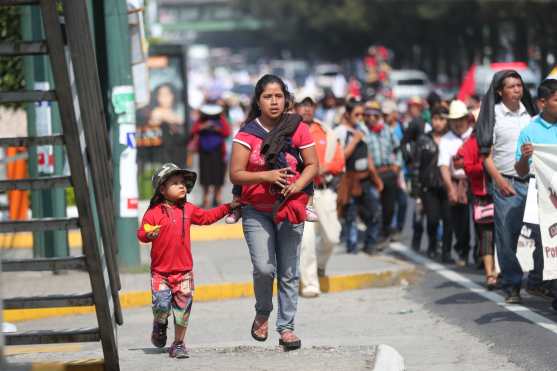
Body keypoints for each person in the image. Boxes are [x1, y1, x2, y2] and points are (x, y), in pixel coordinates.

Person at [229, 74, 318, 350]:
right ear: (258, 101)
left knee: (290, 271)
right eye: (268, 96)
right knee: (265, 268)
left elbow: (312, 165)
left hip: (290, 207)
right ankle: (263, 311)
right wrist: (266, 176)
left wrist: (297, 187)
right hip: (257, 210)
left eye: (278, 96)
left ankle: (286, 327)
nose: (274, 101)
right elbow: (236, 174)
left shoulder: (297, 128)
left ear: (286, 99)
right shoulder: (247, 134)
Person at [137, 163, 239, 358]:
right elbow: (142, 233)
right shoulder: (153, 213)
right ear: (162, 189)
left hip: (183, 271)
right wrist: (149, 235)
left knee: (183, 311)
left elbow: (208, 217)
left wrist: (228, 207)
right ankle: (160, 324)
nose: (182, 186)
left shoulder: (189, 210)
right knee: (161, 306)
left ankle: (178, 343)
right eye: (175, 183)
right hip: (160, 273)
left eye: (183, 183)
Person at [476, 70, 537, 303]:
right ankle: (512, 284)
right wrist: (500, 181)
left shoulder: (531, 115)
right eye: (511, 86)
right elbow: (485, 156)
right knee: (507, 238)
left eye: (519, 85)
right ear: (500, 91)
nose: (517, 89)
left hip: (533, 183)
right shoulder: (493, 116)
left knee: (541, 235)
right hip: (506, 184)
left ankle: (539, 278)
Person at [296, 94, 345, 296]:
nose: (307, 108)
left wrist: (322, 168)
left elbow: (339, 159)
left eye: (310, 105)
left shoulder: (326, 130)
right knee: (306, 241)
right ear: (294, 107)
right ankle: (310, 284)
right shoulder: (288, 130)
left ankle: (320, 265)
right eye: (302, 105)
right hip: (300, 194)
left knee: (332, 237)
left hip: (323, 190)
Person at [515, 78, 557, 309]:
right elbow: (520, 171)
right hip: (545, 199)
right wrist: (524, 156)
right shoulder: (530, 131)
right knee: (550, 244)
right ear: (542, 102)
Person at [334, 99, 384, 254]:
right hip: (349, 180)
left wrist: (375, 177)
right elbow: (339, 156)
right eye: (357, 114)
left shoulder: (362, 129)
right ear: (347, 115)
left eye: (362, 114)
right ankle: (352, 247)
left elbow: (367, 154)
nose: (360, 117)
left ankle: (371, 243)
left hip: (366, 179)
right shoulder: (340, 132)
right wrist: (354, 140)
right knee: (350, 215)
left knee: (375, 211)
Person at [457, 133, 497, 288]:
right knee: (486, 235)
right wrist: (486, 164)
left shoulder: (501, 135)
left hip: (506, 191)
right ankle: (489, 274)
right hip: (483, 195)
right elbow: (466, 167)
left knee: (505, 234)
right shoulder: (470, 143)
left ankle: (501, 271)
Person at [414, 106, 452, 261]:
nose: (438, 122)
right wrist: (417, 191)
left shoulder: (451, 138)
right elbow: (416, 165)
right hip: (428, 187)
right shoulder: (423, 139)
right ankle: (432, 246)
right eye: (435, 119)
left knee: (449, 221)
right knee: (432, 219)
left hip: (449, 185)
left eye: (441, 119)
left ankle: (447, 253)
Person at [438, 100, 473, 267]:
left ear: (467, 118)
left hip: (476, 181)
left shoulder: (475, 135)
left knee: (482, 220)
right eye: (455, 119)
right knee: (460, 222)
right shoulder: (446, 140)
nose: (458, 123)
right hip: (457, 182)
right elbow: (444, 166)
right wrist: (450, 188)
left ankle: (482, 255)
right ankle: (463, 251)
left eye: (461, 118)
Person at [363, 100, 400, 240]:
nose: (372, 118)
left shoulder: (388, 131)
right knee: (373, 207)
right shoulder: (362, 132)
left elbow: (398, 149)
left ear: (379, 116)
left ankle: (385, 230)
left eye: (375, 115)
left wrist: (397, 166)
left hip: (388, 172)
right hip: (371, 174)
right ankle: (373, 236)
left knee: (389, 206)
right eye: (369, 115)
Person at [190, 104, 231, 208]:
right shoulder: (201, 119)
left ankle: (217, 199)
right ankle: (205, 200)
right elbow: (193, 130)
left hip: (218, 153)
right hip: (204, 153)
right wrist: (203, 126)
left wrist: (217, 129)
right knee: (205, 178)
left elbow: (227, 132)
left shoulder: (221, 119)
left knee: (218, 177)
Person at [382, 100, 407, 237]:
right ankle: (388, 227)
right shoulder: (382, 129)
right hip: (387, 171)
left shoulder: (401, 128)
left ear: (395, 114)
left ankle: (399, 226)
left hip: (401, 171)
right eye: (384, 114)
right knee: (388, 201)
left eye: (388, 114)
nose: (385, 117)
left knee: (402, 201)